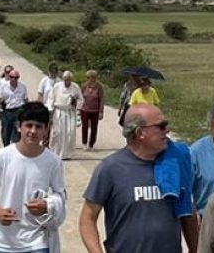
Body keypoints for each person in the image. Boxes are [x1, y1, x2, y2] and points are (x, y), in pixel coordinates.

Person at [80, 104, 198, 253]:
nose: (167, 131)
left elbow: (187, 213)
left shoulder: (174, 164)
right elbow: (87, 219)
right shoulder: (111, 169)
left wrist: (195, 249)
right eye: (161, 126)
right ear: (140, 133)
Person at [0, 102, 67, 253]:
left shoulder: (53, 161)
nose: (33, 131)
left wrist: (47, 205)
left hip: (37, 241)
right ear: (19, 126)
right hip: (3, 242)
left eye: (38, 126)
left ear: (46, 129)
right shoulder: (2, 156)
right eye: (29, 125)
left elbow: (61, 195)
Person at [45, 70, 83, 160]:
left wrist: (76, 104)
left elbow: (81, 99)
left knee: (70, 133)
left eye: (69, 80)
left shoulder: (75, 87)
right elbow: (51, 98)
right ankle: (55, 152)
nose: (67, 82)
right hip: (59, 112)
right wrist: (50, 111)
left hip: (70, 112)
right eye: (65, 80)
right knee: (58, 132)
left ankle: (67, 154)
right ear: (63, 79)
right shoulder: (57, 86)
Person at [0, 69, 30, 146]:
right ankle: (6, 147)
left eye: (16, 77)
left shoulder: (22, 86)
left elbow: (25, 99)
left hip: (19, 110)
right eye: (12, 77)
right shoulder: (3, 86)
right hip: (8, 111)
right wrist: (0, 102)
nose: (14, 79)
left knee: (18, 131)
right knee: (6, 131)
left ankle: (16, 147)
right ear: (9, 77)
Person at [80, 69, 106, 150]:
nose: (90, 79)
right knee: (85, 126)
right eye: (88, 78)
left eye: (92, 78)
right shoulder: (84, 86)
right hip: (84, 109)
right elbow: (80, 97)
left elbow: (101, 99)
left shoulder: (99, 87)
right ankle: (84, 143)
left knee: (94, 127)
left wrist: (101, 111)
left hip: (95, 110)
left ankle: (91, 144)